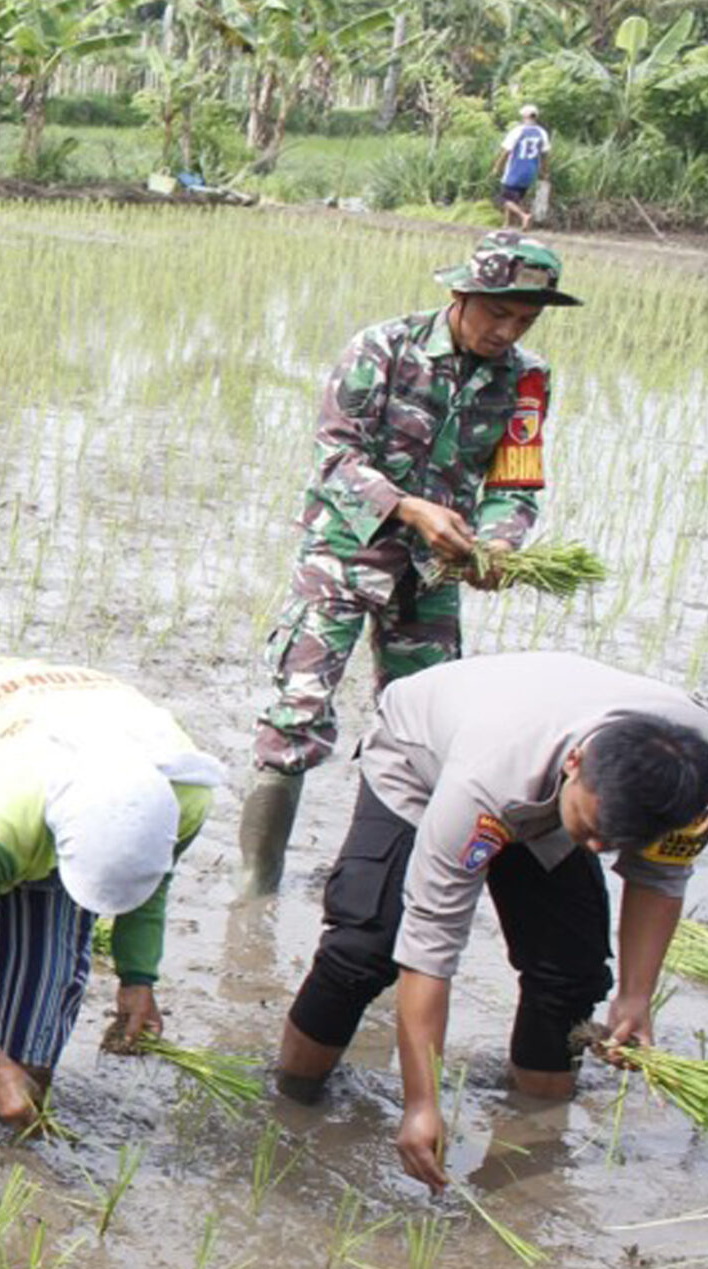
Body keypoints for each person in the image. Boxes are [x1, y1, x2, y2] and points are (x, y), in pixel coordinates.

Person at [273, 652, 708, 1193]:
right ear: (577, 762)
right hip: (424, 760)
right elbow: (430, 944)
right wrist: (422, 1104)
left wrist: (634, 997)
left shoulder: (693, 775)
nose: (602, 850)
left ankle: (529, 1152)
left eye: (618, 842)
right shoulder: (484, 781)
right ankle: (291, 1105)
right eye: (597, 832)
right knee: (363, 949)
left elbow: (662, 876)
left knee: (571, 978)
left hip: (548, 786)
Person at [237, 231, 579, 894]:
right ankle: (257, 888)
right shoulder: (382, 349)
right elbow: (335, 459)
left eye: (525, 320)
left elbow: (515, 482)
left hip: (434, 573)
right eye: (496, 314)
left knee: (427, 728)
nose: (507, 331)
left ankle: (383, 879)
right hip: (346, 551)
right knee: (298, 710)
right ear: (462, 295)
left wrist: (500, 543)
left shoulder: (528, 378)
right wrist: (411, 509)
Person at [0, 660, 222, 1174]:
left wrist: (138, 978)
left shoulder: (184, 795)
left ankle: (13, 1144)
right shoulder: (1, 810)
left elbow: (150, 882)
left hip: (64, 770)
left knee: (52, 974)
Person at [495, 105, 552, 229]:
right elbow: (545, 155)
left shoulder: (517, 131)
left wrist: (497, 167)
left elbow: (506, 151)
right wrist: (545, 172)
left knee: (503, 199)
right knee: (513, 199)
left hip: (515, 170)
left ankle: (523, 216)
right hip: (530, 171)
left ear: (524, 116)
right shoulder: (542, 133)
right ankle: (506, 224)